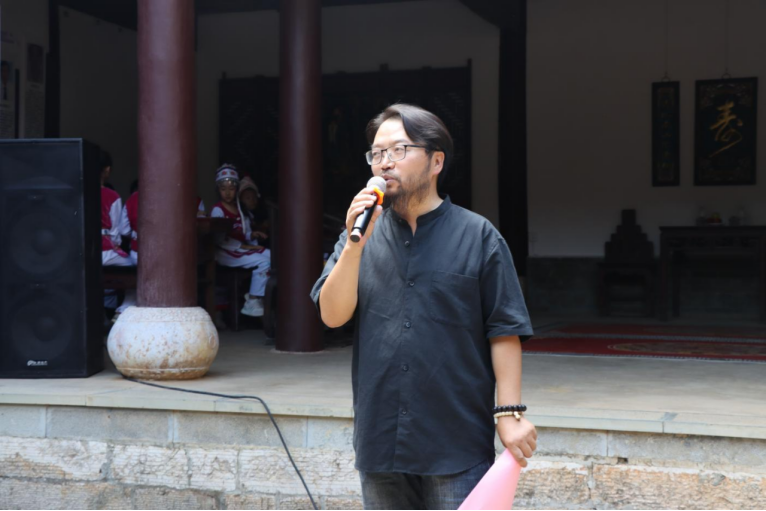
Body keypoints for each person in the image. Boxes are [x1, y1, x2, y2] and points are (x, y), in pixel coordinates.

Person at [311, 104, 536, 510]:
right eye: (377, 153)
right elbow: (332, 315)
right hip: (380, 440)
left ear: (436, 162)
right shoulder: (358, 236)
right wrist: (355, 246)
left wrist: (509, 412)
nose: (385, 163)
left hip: (456, 440)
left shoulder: (478, 236)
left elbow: (504, 328)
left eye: (398, 150)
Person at [210, 165, 271, 318]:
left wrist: (252, 235)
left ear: (236, 190)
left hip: (240, 250)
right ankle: (253, 299)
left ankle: (258, 296)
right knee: (265, 261)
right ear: (218, 190)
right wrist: (244, 246)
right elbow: (219, 239)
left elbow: (243, 233)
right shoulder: (218, 210)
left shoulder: (240, 210)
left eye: (231, 189)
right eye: (223, 189)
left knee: (272, 256)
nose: (227, 193)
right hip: (225, 252)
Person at [100, 151, 132, 310]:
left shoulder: (76, 192)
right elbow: (116, 231)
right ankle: (124, 308)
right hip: (105, 250)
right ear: (107, 170)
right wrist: (117, 244)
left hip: (78, 251)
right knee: (134, 267)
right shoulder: (111, 196)